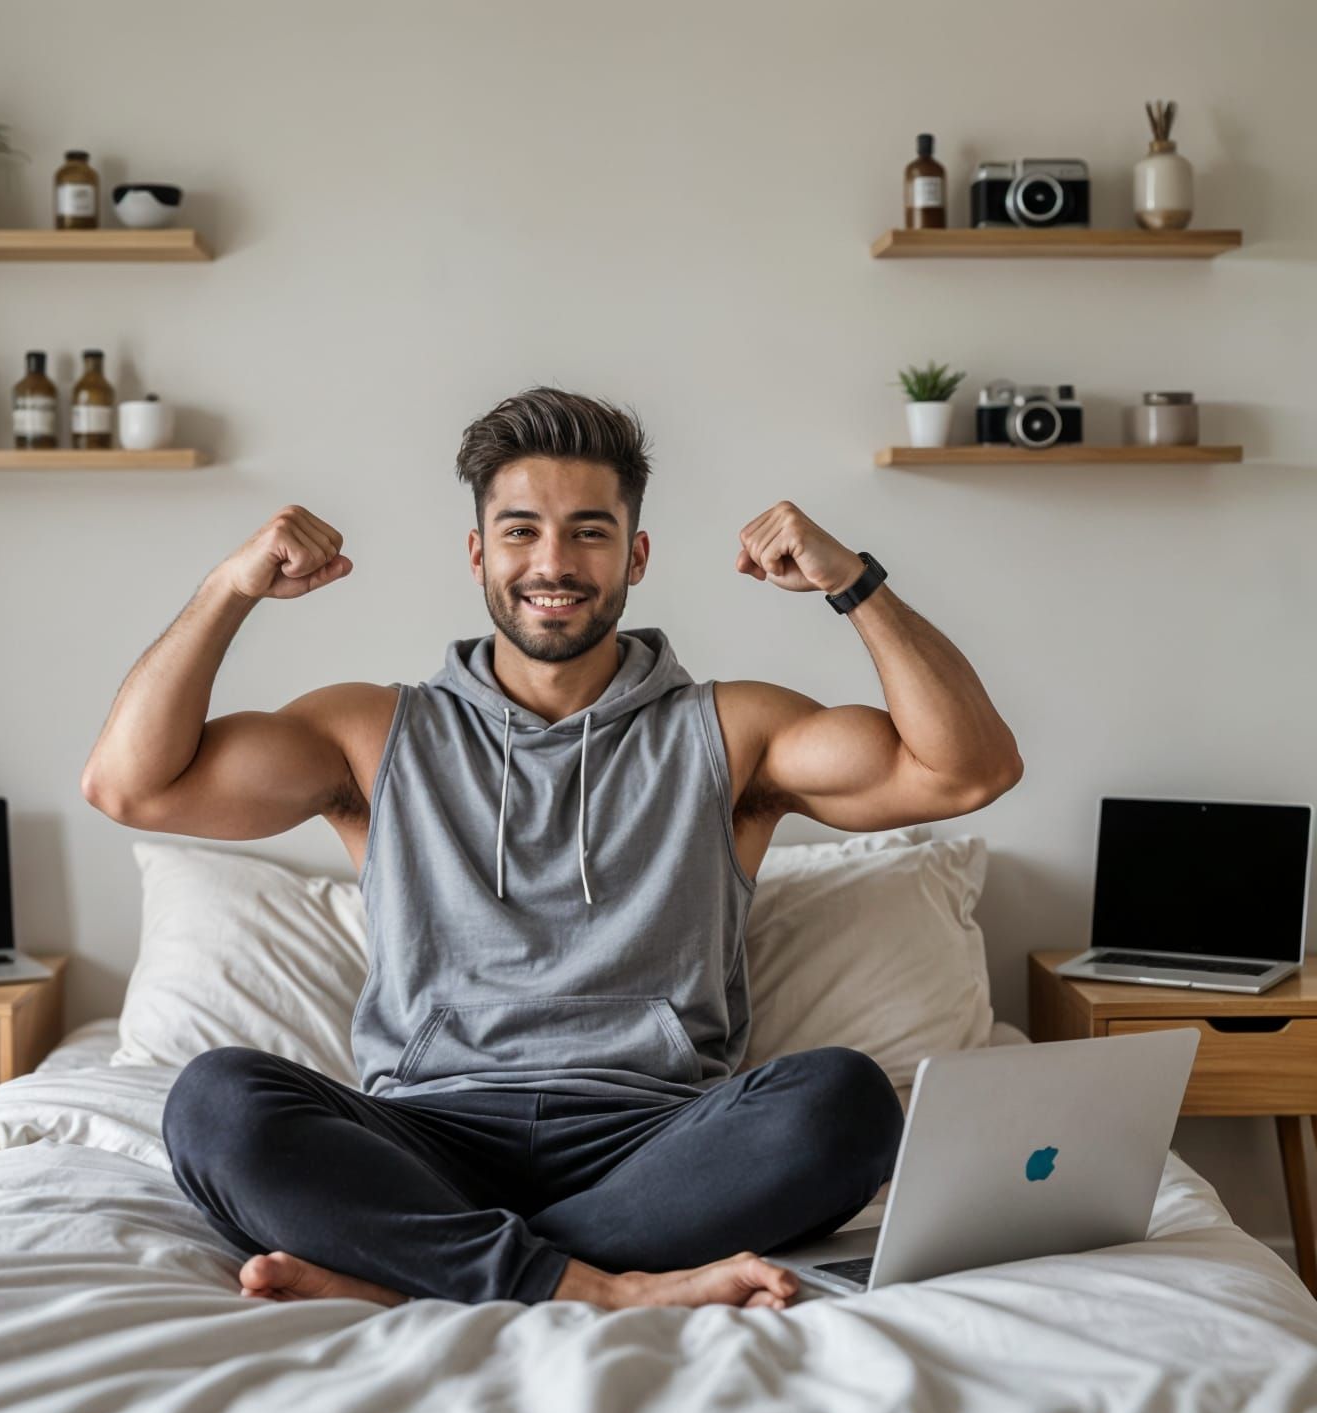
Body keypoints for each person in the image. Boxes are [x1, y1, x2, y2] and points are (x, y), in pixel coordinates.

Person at [81, 385, 1023, 1313]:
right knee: (215, 1102)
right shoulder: (375, 734)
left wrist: (850, 581)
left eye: (589, 531)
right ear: (478, 552)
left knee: (846, 1103)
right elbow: (134, 785)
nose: (553, 562)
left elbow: (964, 772)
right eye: (522, 530)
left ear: (636, 555)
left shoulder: (729, 732)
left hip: (653, 1144)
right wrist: (229, 587)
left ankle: (409, 1267)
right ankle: (598, 1286)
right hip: (424, 1134)